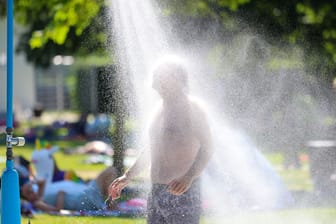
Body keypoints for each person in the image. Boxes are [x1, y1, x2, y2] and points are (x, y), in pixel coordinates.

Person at [108, 59, 214, 224]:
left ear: (176, 79)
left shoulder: (193, 109)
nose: (154, 85)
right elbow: (152, 149)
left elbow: (208, 148)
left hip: (183, 192)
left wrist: (188, 177)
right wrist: (128, 176)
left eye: (159, 78)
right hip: (156, 191)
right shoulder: (158, 109)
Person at [20, 166, 118, 212]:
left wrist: (32, 183)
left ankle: (110, 204)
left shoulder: (40, 193)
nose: (33, 192)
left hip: (83, 195)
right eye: (29, 193)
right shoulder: (38, 203)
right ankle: (111, 205)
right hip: (83, 199)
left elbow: (42, 182)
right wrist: (60, 196)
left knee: (110, 172)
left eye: (31, 189)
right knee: (110, 171)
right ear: (28, 199)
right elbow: (57, 211)